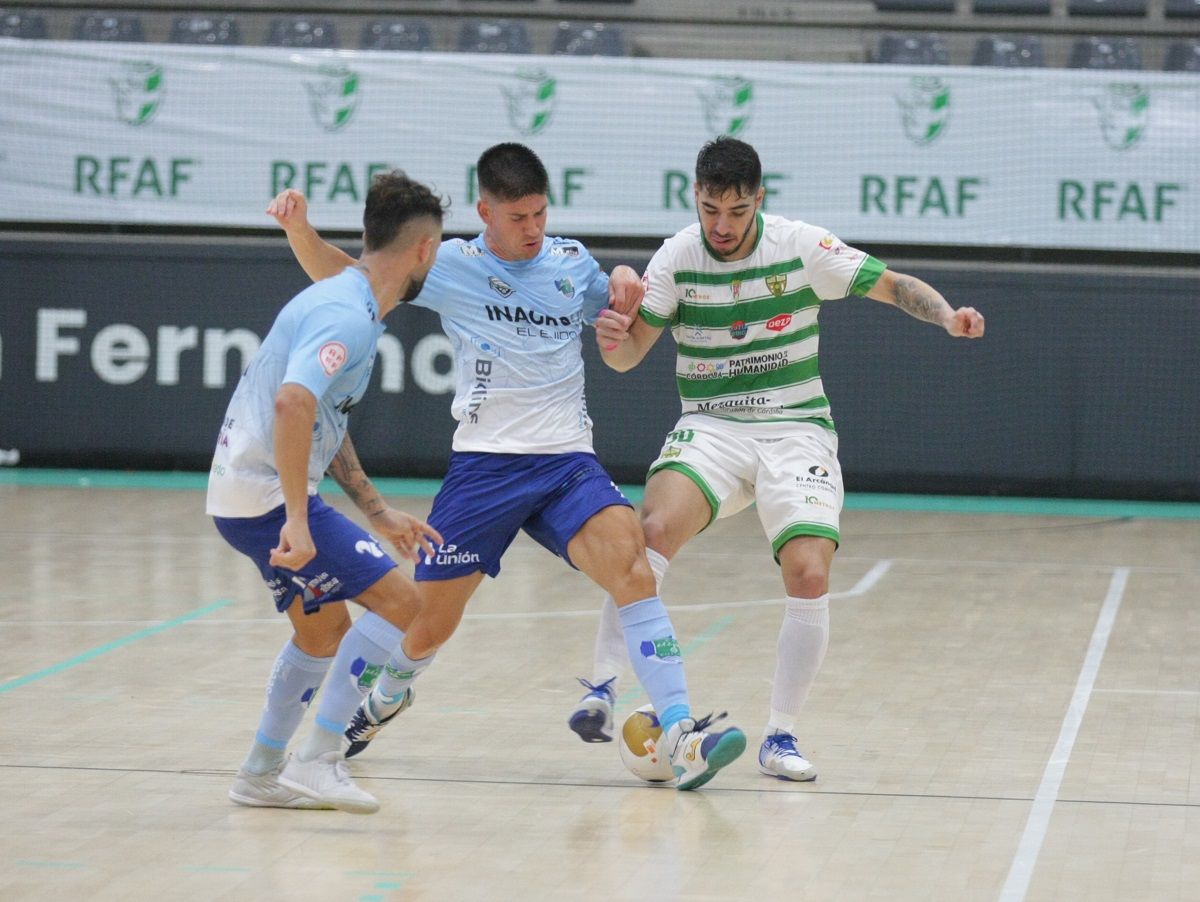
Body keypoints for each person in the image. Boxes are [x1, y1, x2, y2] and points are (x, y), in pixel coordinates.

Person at [267, 142, 746, 790]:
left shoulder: (570, 264)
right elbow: (344, 274)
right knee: (426, 619)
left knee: (632, 568)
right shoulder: (451, 265)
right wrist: (301, 230)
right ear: (485, 211)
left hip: (566, 463)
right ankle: (384, 700)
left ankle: (684, 731)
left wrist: (628, 283)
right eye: (519, 218)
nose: (533, 230)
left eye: (541, 215)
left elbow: (624, 306)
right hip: (485, 470)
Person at [570, 136, 985, 782]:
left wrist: (947, 316)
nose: (722, 226)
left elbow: (893, 284)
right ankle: (600, 686)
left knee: (810, 574)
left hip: (796, 430)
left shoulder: (800, 246)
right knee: (647, 532)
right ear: (697, 198)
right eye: (710, 209)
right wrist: (612, 340)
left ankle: (779, 738)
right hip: (711, 427)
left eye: (736, 211)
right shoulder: (677, 257)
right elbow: (625, 360)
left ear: (758, 201)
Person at [208, 170, 447, 813]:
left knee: (322, 635)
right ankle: (320, 759)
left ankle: (259, 773)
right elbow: (293, 403)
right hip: (265, 500)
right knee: (411, 609)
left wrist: (374, 510)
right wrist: (298, 519)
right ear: (424, 250)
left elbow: (322, 416)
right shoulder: (349, 315)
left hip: (239, 495)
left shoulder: (346, 293)